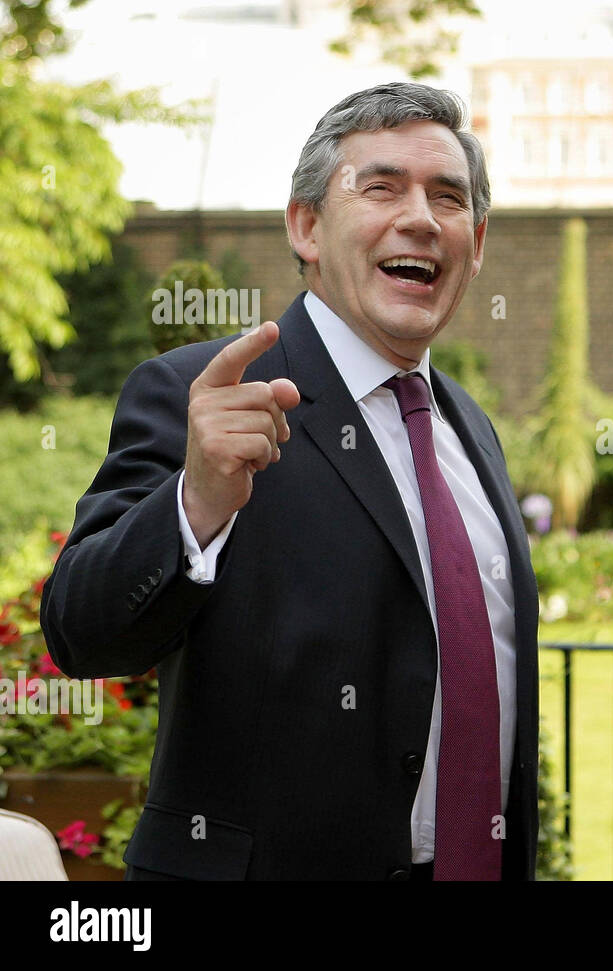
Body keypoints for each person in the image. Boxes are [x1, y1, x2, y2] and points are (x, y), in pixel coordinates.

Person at [40, 82, 539, 881]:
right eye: (381, 187)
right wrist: (194, 502)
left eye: (447, 198)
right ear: (306, 225)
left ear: (475, 244)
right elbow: (80, 632)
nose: (420, 216)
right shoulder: (200, 393)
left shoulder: (469, 428)